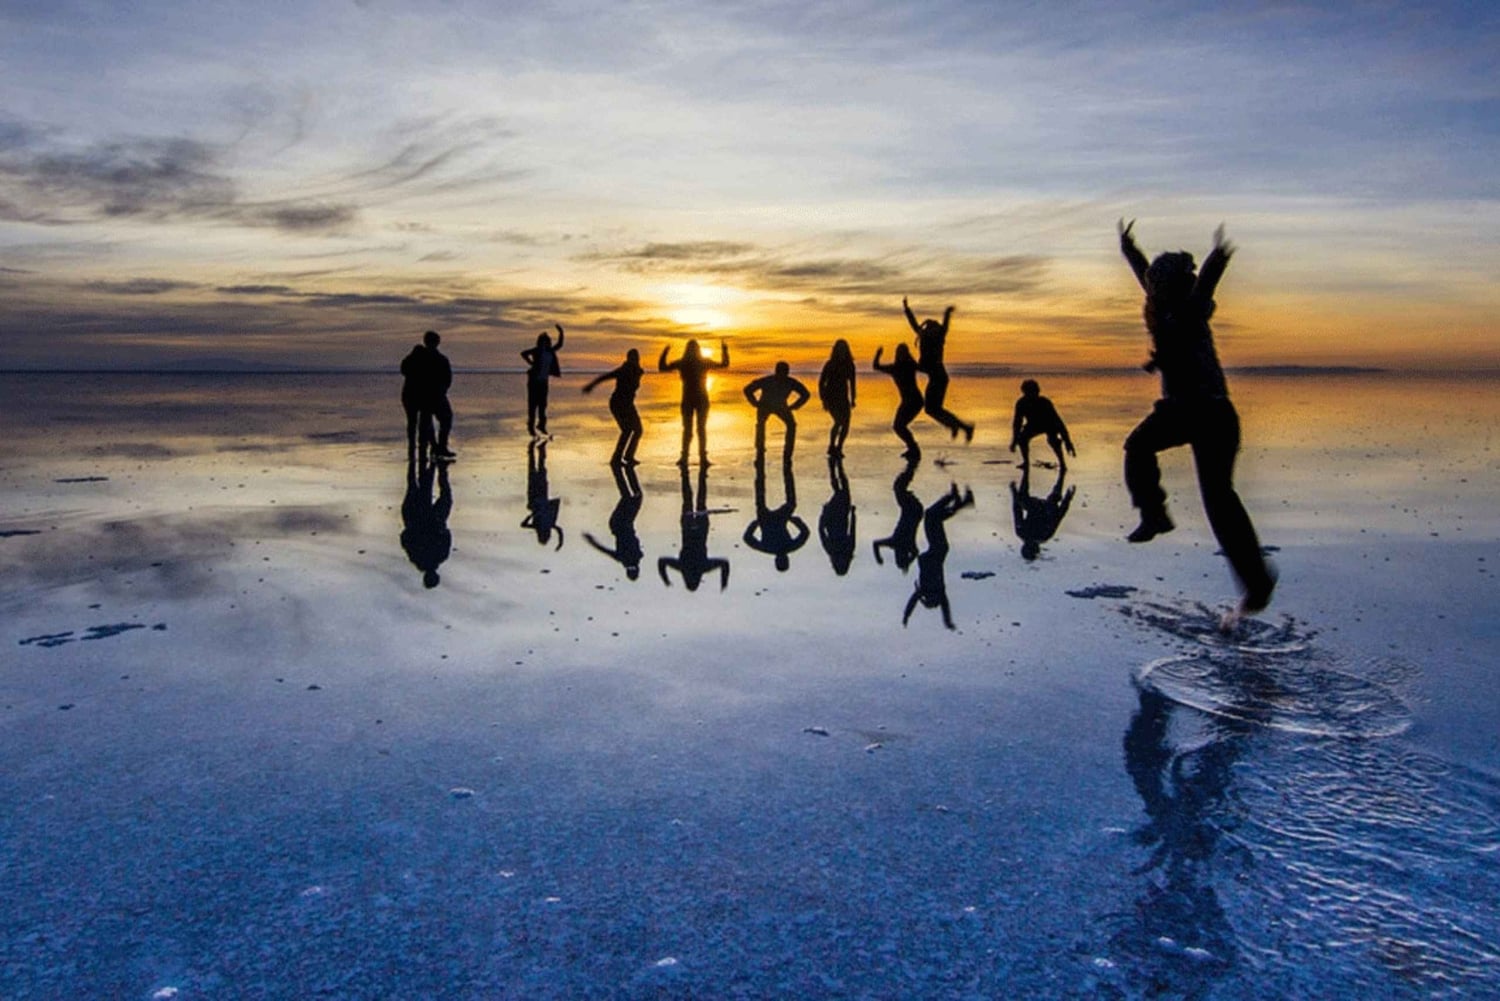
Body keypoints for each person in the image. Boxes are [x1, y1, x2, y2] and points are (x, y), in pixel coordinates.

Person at [1117, 219, 1276, 614]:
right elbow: (1145, 276)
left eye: (1158, 283)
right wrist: (1129, 249)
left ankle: (1256, 584)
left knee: (1218, 500)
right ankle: (1155, 515)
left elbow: (1205, 285)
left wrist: (1217, 258)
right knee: (1140, 450)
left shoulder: (1188, 310)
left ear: (1171, 284)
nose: (1151, 288)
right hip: (1187, 410)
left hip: (1207, 412)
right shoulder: (1162, 307)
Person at [903, 296, 974, 442]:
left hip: (939, 378)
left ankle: (962, 427)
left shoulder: (937, 336)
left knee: (932, 409)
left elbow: (940, 325)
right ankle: (957, 426)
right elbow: (914, 324)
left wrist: (947, 313)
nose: (927, 330)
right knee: (933, 409)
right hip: (937, 378)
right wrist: (907, 309)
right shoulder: (927, 336)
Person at [659, 338, 729, 467]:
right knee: (700, 429)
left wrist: (665, 352)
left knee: (688, 430)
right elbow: (724, 364)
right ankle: (700, 458)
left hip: (689, 399)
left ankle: (686, 457)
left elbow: (662, 368)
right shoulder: (702, 362)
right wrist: (724, 350)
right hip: (700, 399)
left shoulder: (683, 362)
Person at [582, 348, 644, 466]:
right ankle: (616, 459)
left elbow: (637, 376)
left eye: (636, 358)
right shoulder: (623, 370)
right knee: (627, 430)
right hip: (618, 404)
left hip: (628, 404)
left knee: (638, 430)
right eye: (633, 358)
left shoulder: (638, 371)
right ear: (628, 359)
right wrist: (591, 385)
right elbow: (605, 377)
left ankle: (628, 456)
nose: (635, 360)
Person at [399, 330, 455, 459]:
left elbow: (447, 379)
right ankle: (427, 448)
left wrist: (441, 391)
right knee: (420, 422)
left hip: (428, 396)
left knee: (429, 421)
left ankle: (436, 447)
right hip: (418, 396)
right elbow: (404, 370)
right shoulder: (419, 356)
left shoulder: (438, 359)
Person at [400, 454, 452, 588]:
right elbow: (404, 539)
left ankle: (438, 468)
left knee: (441, 495)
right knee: (418, 486)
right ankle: (435, 466)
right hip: (425, 520)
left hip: (422, 520)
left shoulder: (439, 556)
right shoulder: (420, 558)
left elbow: (447, 535)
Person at [743, 360, 811, 463]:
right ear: (776, 371)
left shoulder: (790, 382)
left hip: (779, 406)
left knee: (791, 425)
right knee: (761, 424)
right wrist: (755, 403)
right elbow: (747, 389)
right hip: (765, 405)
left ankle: (787, 451)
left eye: (784, 372)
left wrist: (794, 406)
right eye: (781, 372)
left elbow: (806, 394)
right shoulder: (768, 380)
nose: (782, 375)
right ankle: (760, 448)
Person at [1010, 379, 1076, 470]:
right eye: (1029, 392)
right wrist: (1014, 441)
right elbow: (1017, 423)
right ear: (1024, 392)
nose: (1033, 394)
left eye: (1035, 391)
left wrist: (1067, 442)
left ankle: (1062, 463)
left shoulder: (1044, 402)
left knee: (1053, 440)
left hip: (1049, 424)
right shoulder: (1021, 403)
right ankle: (1026, 462)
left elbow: (1058, 422)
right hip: (1033, 425)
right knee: (1022, 439)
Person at [873, 343, 925, 458]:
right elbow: (876, 366)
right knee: (899, 426)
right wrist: (878, 354)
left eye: (903, 353)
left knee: (899, 426)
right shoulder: (895, 368)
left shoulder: (909, 365)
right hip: (908, 401)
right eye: (900, 353)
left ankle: (914, 449)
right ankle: (913, 448)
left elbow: (924, 368)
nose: (901, 355)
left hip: (915, 401)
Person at [520, 324, 565, 437]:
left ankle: (541, 425)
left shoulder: (550, 351)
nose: (545, 343)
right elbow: (523, 353)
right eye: (543, 341)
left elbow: (560, 344)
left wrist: (561, 332)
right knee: (532, 405)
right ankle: (531, 427)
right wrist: (531, 363)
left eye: (547, 341)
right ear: (540, 342)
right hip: (534, 381)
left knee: (543, 404)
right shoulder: (536, 351)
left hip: (544, 382)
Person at [817, 339, 857, 458]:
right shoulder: (830, 364)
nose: (841, 351)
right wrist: (823, 399)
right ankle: (831, 446)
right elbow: (821, 382)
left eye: (843, 349)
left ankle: (839, 447)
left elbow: (852, 382)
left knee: (846, 424)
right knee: (838, 421)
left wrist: (853, 398)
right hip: (831, 397)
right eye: (839, 349)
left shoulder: (850, 365)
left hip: (843, 397)